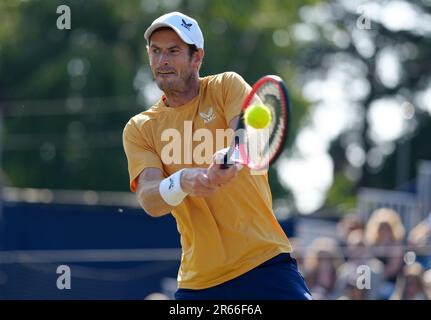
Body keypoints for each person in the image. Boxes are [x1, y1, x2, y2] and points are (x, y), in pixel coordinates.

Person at [122, 11, 311, 300]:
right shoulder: (140, 128)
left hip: (265, 262)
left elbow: (248, 134)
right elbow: (149, 199)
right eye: (156, 52)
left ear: (196, 58)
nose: (163, 61)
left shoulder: (226, 86)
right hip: (199, 283)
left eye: (173, 51)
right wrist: (183, 181)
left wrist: (232, 155)